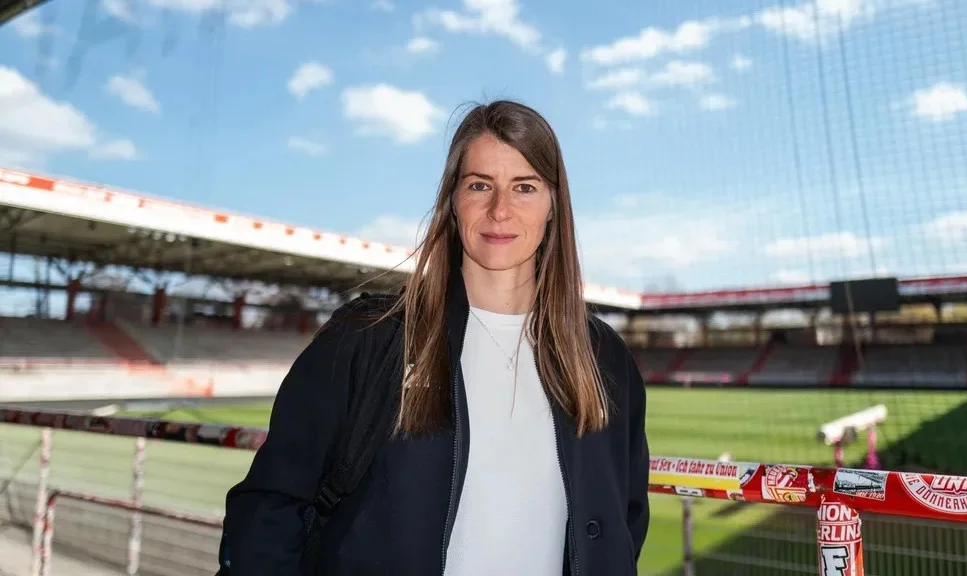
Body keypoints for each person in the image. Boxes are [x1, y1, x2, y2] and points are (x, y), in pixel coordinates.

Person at [220, 100, 650, 575]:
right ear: (452, 201)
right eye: (479, 185)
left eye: (524, 187)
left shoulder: (605, 359)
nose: (499, 210)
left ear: (553, 205)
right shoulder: (369, 338)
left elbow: (624, 521)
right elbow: (270, 511)